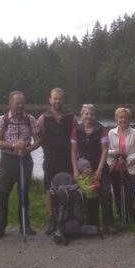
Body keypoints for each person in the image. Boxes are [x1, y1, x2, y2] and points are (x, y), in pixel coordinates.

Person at [0, 91, 40, 239]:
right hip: (8, 160)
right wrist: (13, 145)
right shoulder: (3, 119)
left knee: (24, 193)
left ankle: (25, 225)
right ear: (10, 103)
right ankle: (0, 227)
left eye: (22, 103)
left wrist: (28, 149)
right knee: (3, 193)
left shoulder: (30, 119)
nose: (20, 105)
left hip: (25, 160)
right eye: (17, 103)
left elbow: (38, 140)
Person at [38, 88, 76, 235]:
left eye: (60, 98)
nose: (57, 101)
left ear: (63, 100)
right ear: (50, 100)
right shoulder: (43, 118)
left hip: (67, 158)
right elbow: (39, 137)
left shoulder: (71, 118)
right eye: (55, 98)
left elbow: (75, 140)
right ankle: (52, 219)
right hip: (50, 159)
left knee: (68, 187)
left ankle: (68, 217)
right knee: (49, 189)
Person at [71, 104, 115, 234]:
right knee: (88, 195)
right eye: (86, 114)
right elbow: (73, 152)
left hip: (100, 166)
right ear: (82, 115)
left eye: (91, 114)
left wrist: (100, 169)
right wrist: (75, 170)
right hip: (83, 168)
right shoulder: (76, 130)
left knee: (106, 193)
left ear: (94, 115)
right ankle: (92, 223)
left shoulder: (101, 129)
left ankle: (109, 224)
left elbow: (105, 149)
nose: (88, 116)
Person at [107, 107, 135, 226]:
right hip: (114, 168)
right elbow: (106, 150)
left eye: (126, 117)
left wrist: (127, 160)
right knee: (117, 194)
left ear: (130, 119)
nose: (123, 119)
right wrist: (115, 152)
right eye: (120, 117)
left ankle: (133, 217)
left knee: (129, 194)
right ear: (116, 119)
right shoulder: (111, 133)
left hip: (130, 169)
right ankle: (122, 218)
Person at [76, 157, 101, 227]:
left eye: (90, 167)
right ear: (82, 169)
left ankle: (96, 226)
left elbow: (98, 185)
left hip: (94, 197)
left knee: (94, 212)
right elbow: (76, 187)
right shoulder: (79, 178)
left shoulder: (93, 176)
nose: (90, 169)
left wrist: (94, 186)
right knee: (86, 212)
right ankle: (86, 225)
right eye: (87, 168)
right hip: (84, 199)